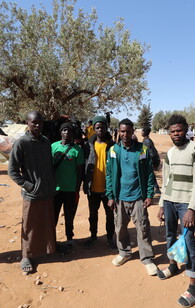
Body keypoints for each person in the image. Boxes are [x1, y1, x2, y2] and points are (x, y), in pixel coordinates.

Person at [157, 114, 195, 307]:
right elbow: (166, 179)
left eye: (179, 130)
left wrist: (192, 208)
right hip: (169, 201)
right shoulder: (169, 153)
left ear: (186, 129)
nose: (176, 134)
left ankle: (193, 287)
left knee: (188, 242)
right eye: (172, 131)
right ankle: (172, 265)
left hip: (186, 204)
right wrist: (162, 203)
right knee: (170, 236)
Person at [106, 118, 157, 276]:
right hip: (120, 197)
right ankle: (124, 252)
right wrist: (110, 195)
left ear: (132, 131)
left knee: (142, 228)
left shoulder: (142, 150)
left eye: (128, 131)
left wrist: (149, 194)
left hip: (138, 197)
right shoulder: (113, 150)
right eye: (122, 131)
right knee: (120, 227)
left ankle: (147, 258)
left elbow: (149, 173)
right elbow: (109, 175)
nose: (125, 134)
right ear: (118, 132)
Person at [8, 111, 57, 273]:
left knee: (46, 222)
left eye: (40, 123)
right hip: (32, 194)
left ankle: (47, 249)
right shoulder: (22, 143)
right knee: (29, 226)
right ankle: (26, 256)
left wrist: (50, 184)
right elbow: (12, 171)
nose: (37, 125)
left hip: (47, 191)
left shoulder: (45, 141)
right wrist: (29, 186)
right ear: (27, 123)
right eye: (34, 122)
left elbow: (48, 165)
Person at [83, 116, 116, 250]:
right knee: (92, 214)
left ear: (106, 128)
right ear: (94, 129)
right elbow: (84, 165)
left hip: (108, 189)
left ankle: (110, 238)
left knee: (110, 215)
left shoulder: (113, 146)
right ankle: (93, 236)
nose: (100, 130)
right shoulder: (89, 146)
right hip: (93, 188)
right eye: (97, 127)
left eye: (102, 127)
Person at [52, 122, 84, 247]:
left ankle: (69, 237)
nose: (67, 133)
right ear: (60, 132)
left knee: (69, 215)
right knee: (53, 215)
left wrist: (77, 188)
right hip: (56, 189)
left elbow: (80, 170)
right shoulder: (53, 147)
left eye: (69, 131)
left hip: (71, 189)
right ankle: (51, 238)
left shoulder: (77, 150)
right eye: (64, 130)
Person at [141, 126, 161, 194]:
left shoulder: (147, 141)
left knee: (150, 174)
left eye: (142, 131)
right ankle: (156, 188)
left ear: (145, 132)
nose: (141, 132)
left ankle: (155, 188)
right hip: (150, 160)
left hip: (150, 160)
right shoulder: (146, 140)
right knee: (150, 174)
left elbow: (151, 152)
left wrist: (149, 160)